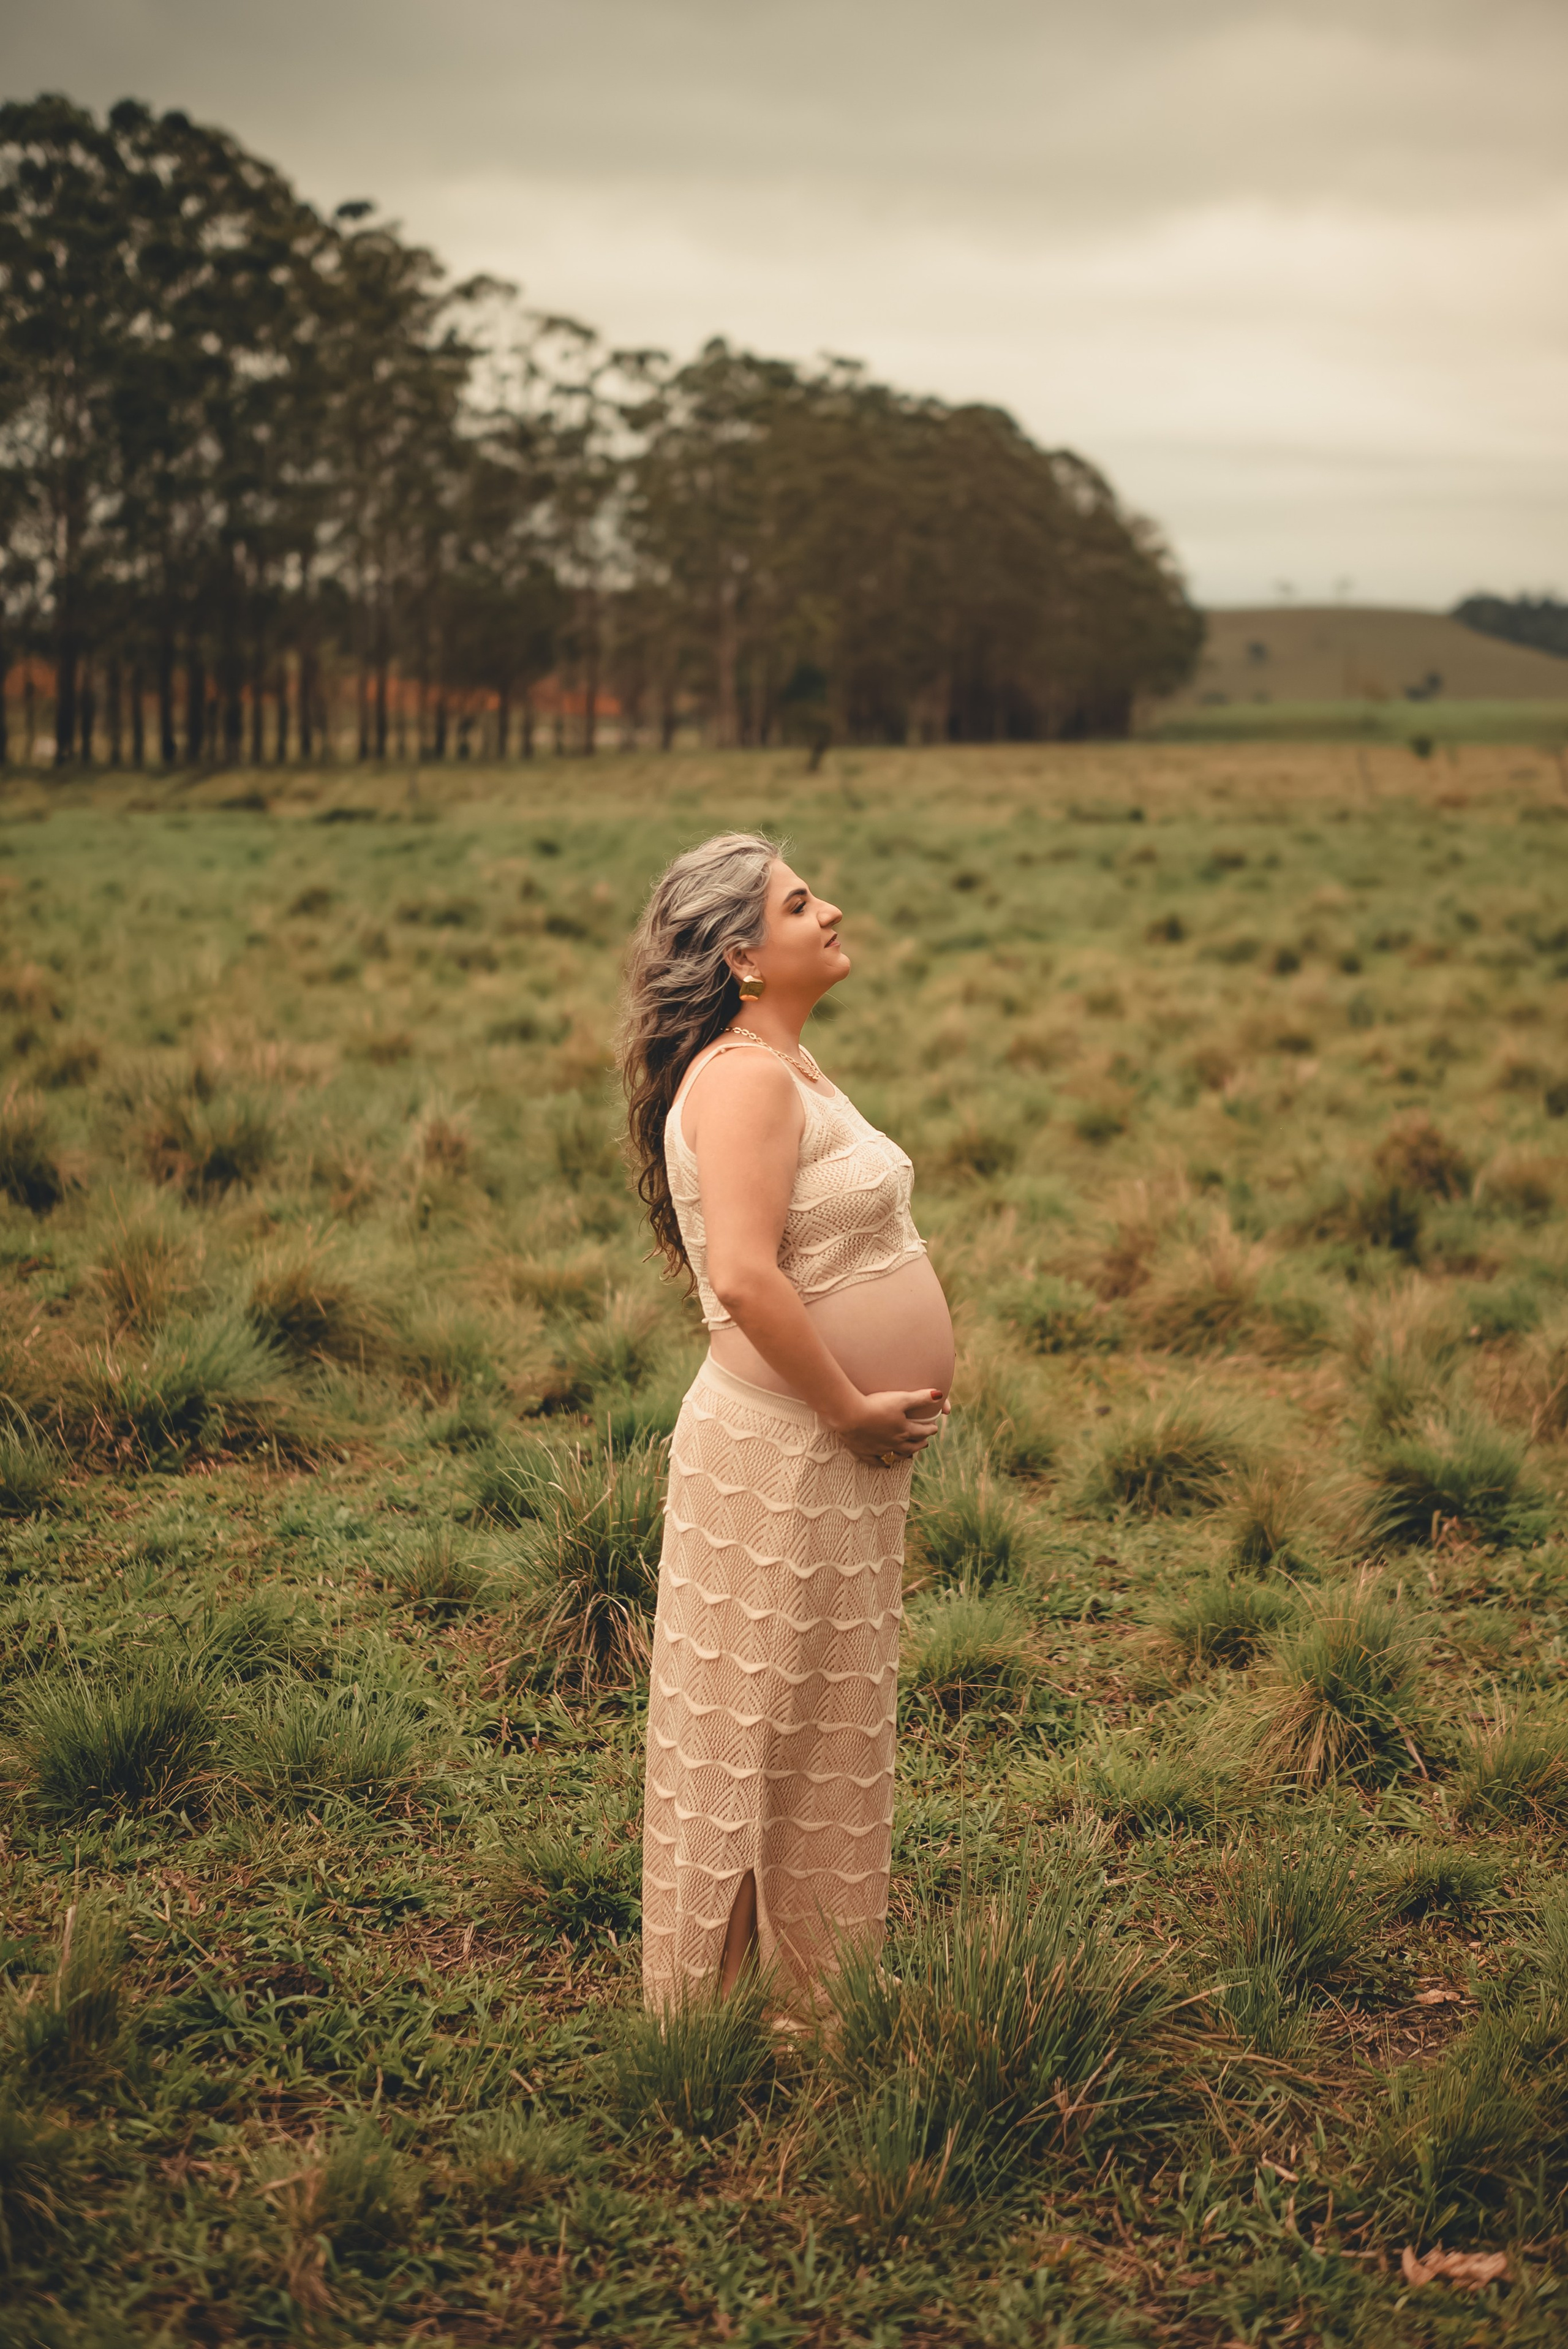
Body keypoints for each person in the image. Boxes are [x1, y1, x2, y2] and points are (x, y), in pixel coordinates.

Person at [619, 831, 954, 2010]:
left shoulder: (784, 1064)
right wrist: (851, 1407)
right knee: (767, 1730)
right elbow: (749, 1278)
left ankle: (802, 1996)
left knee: (807, 1723)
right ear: (744, 958)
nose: (833, 912)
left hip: (823, 1446)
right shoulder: (751, 1077)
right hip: (794, 1447)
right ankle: (742, 2015)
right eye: (802, 903)